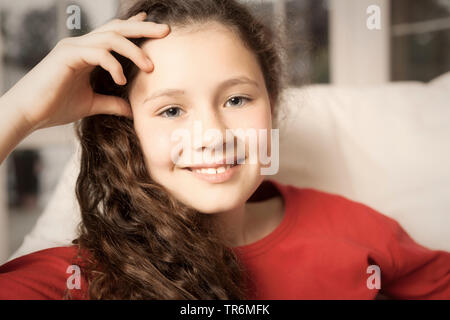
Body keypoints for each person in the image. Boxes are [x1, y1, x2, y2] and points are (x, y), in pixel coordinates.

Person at [0, 0, 449, 300]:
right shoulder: (86, 276)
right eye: (172, 110)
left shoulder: (355, 230)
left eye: (236, 100)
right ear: (128, 132)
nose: (212, 135)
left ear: (271, 105)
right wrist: (18, 114)